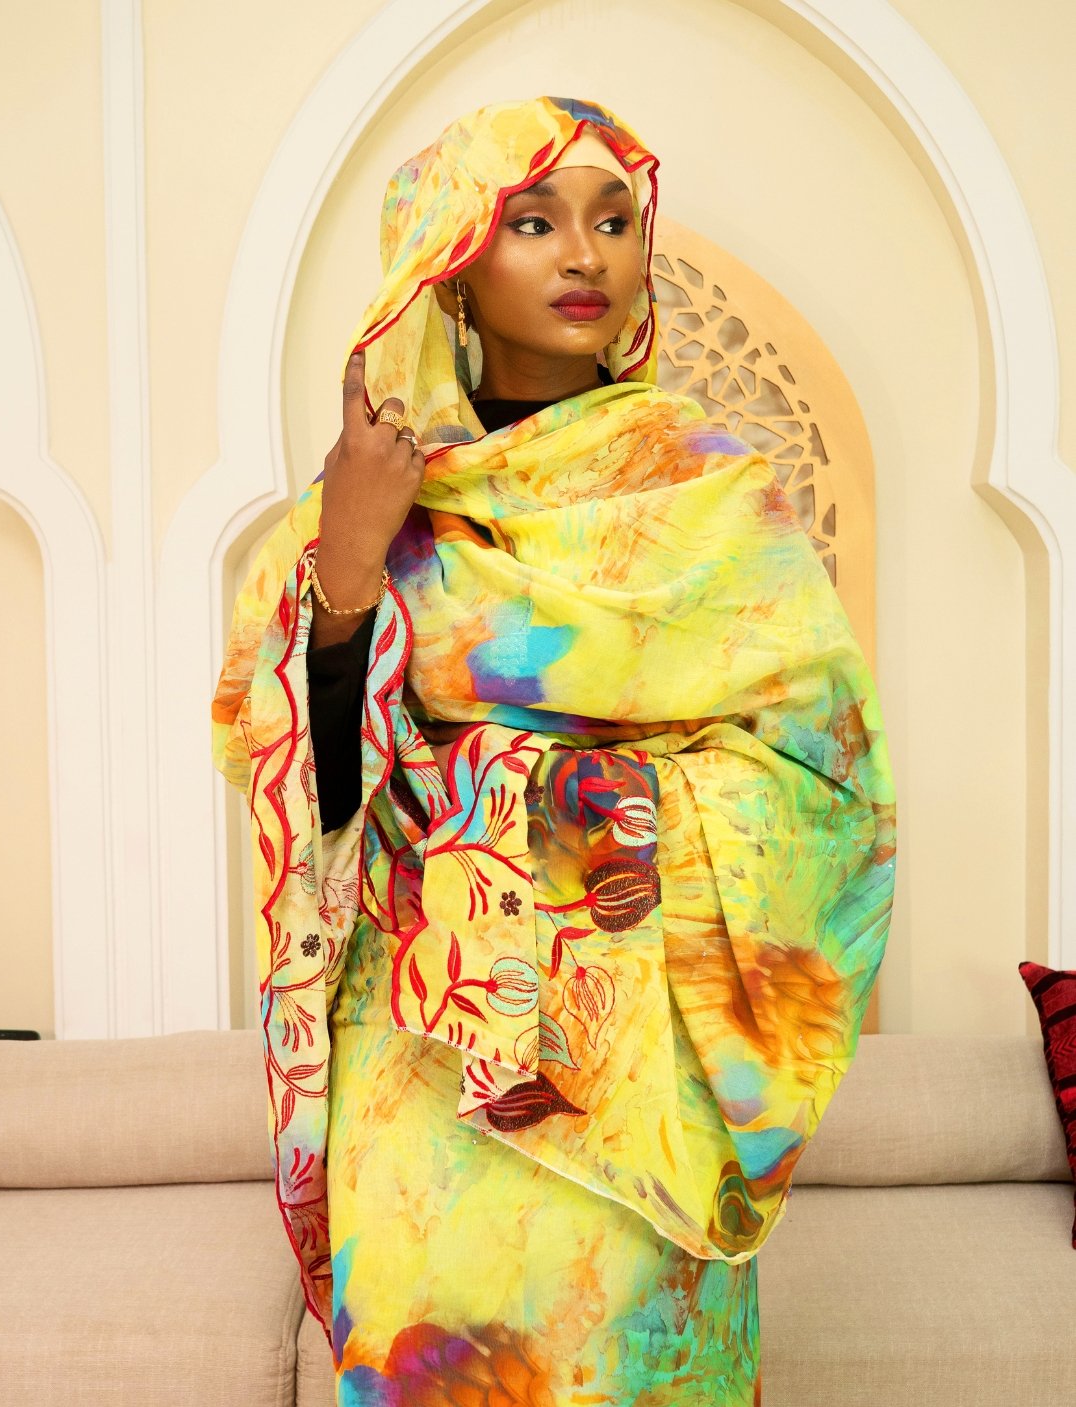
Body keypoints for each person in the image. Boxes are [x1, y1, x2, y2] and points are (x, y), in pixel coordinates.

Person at [212, 95, 896, 1407]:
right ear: (455, 258)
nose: (585, 254)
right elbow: (297, 793)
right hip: (422, 1082)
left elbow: (830, 792)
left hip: (640, 1091)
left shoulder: (712, 497)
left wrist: (558, 805)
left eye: (613, 220)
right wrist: (350, 563)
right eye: (533, 221)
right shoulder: (363, 509)